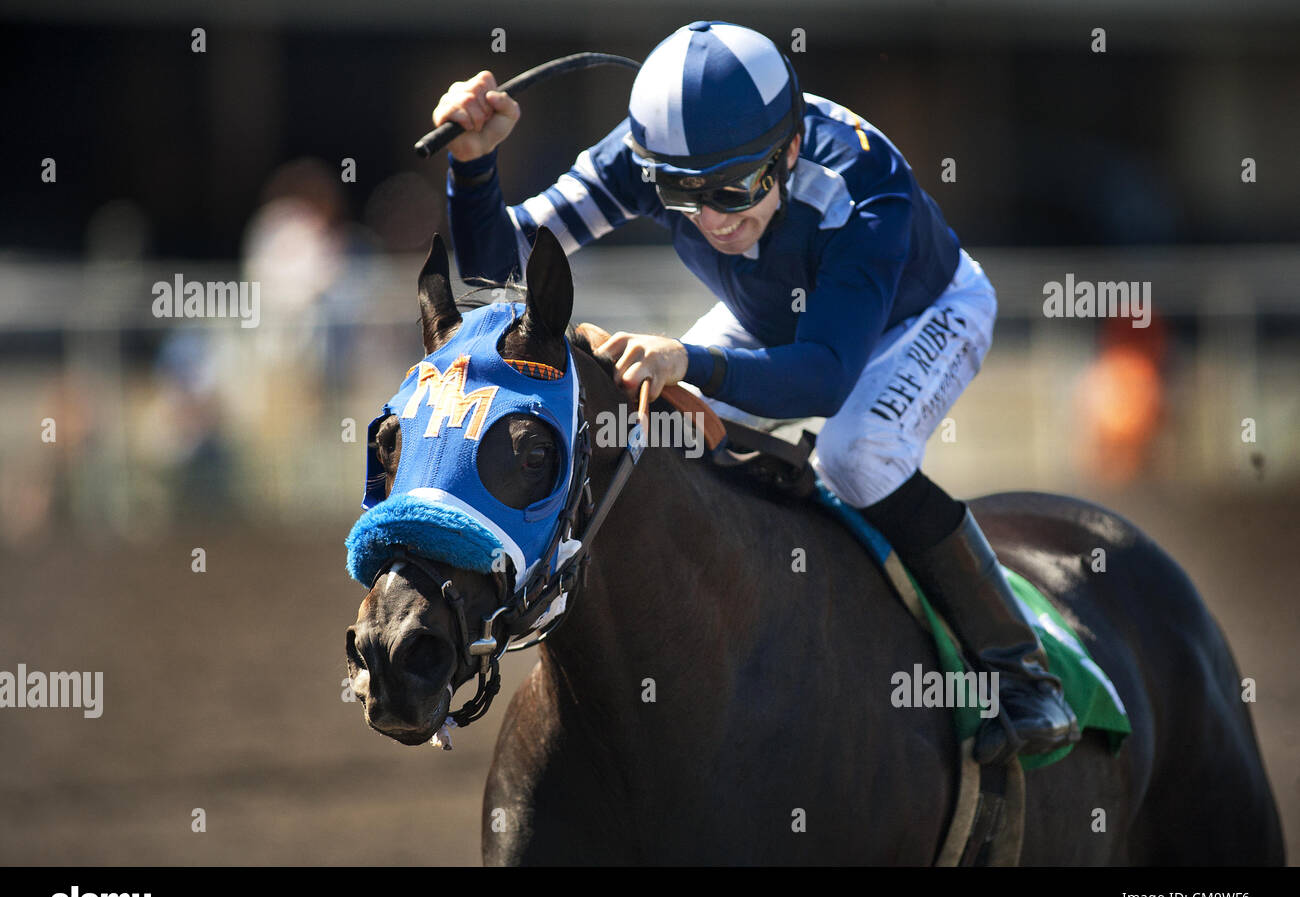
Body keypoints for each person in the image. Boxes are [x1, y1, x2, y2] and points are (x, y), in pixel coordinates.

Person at [433, 20, 1078, 765]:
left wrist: (691, 360)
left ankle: (1023, 674)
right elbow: (490, 278)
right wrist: (474, 166)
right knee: (653, 427)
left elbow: (827, 377)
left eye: (735, 189)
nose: (713, 219)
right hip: (773, 319)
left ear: (791, 150)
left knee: (857, 453)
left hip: (921, 317)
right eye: (682, 195)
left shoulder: (864, 191)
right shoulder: (645, 158)